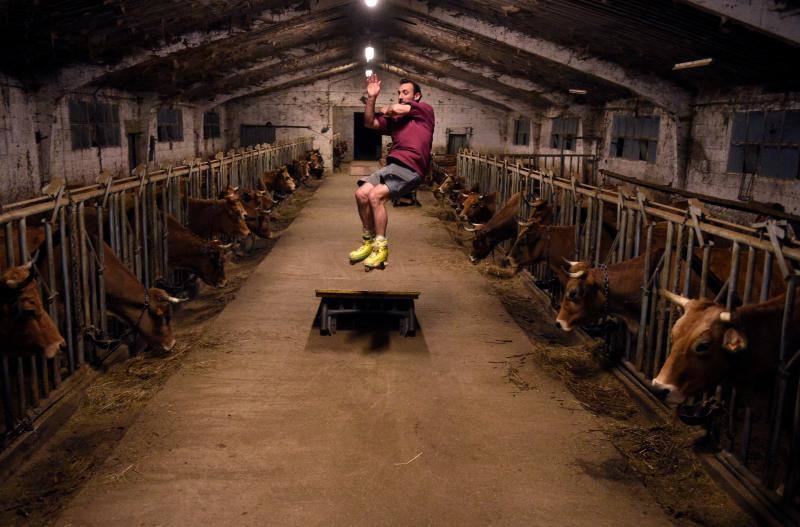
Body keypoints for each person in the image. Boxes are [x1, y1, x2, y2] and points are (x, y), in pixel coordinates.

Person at [349, 74, 435, 271]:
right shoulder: (396, 122)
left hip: (411, 167)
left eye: (405, 93)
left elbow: (395, 108)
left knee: (375, 195)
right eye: (399, 93)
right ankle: (368, 240)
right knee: (361, 194)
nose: (401, 96)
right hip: (392, 165)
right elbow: (369, 122)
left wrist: (387, 109)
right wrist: (372, 98)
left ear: (417, 96)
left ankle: (381, 247)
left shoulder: (425, 111)